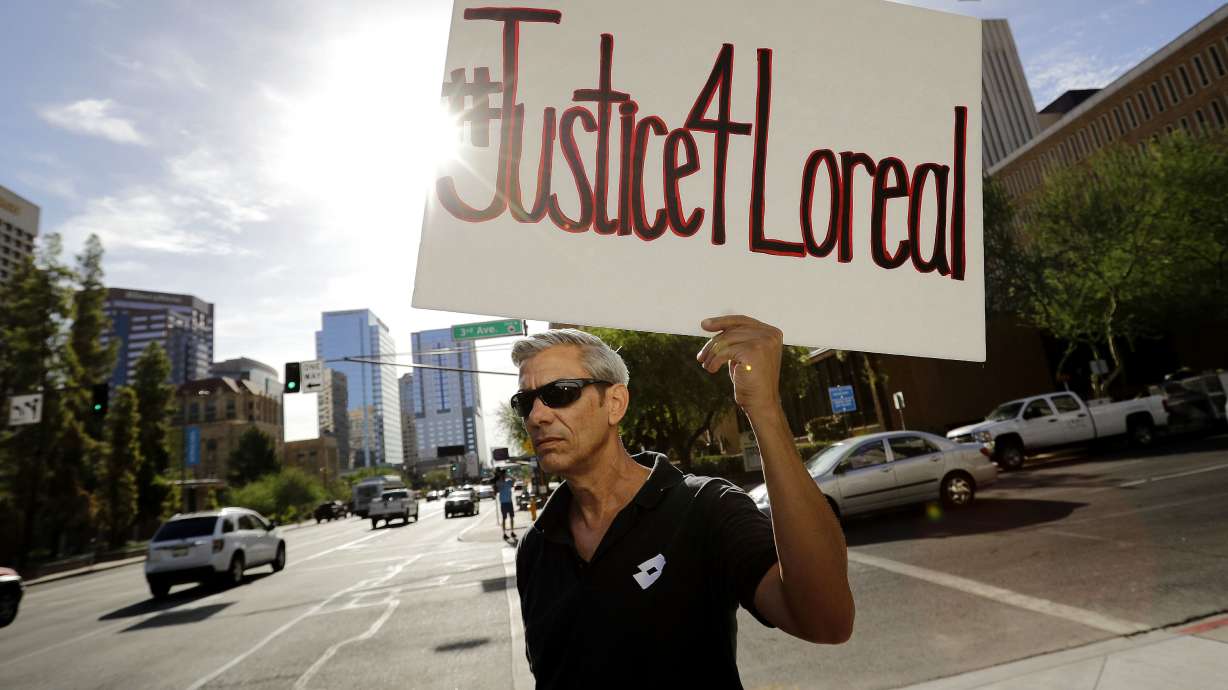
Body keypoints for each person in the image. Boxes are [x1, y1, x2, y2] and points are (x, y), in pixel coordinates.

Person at [512, 316, 854, 689]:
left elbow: (826, 620)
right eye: (525, 402)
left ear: (614, 403)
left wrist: (765, 410)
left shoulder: (706, 508)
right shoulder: (536, 547)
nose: (537, 416)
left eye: (560, 393)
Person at [494, 468, 516, 537]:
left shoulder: (508, 482)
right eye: (502, 474)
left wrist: (508, 475)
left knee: (512, 517)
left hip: (509, 502)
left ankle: (512, 531)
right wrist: (500, 476)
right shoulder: (498, 482)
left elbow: (514, 480)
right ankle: (504, 533)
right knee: (504, 518)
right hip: (503, 503)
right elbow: (497, 487)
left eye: (504, 474)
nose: (503, 476)